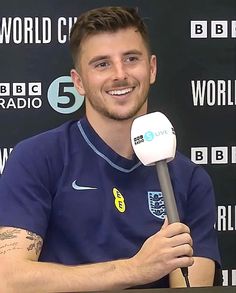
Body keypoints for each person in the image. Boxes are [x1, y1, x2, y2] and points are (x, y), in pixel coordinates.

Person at [0, 6, 221, 292]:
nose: (120, 74)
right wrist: (134, 269)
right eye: (102, 64)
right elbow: (9, 280)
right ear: (78, 82)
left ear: (151, 68)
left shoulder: (189, 179)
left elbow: (191, 286)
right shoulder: (37, 158)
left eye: (131, 59)